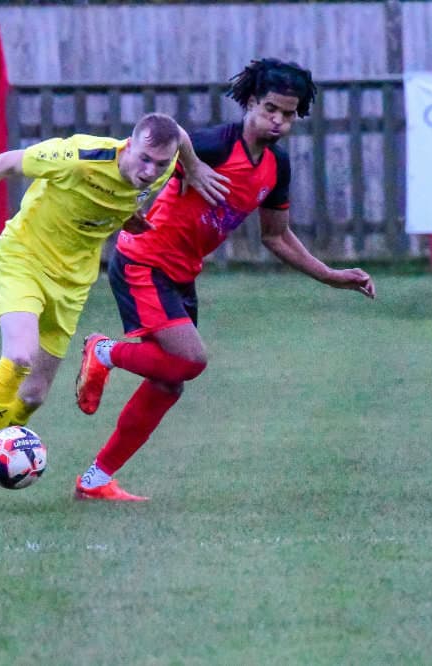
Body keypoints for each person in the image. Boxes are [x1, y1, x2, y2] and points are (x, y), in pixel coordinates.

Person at [73, 58, 376, 501]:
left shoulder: (276, 166)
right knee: (191, 360)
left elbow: (276, 236)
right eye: (270, 109)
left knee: (169, 382)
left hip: (182, 274)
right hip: (144, 262)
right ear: (250, 102)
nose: (278, 120)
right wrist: (190, 168)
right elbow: (162, 142)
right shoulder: (214, 145)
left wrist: (329, 275)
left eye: (289, 114)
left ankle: (95, 480)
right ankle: (103, 351)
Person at [0, 112, 229, 505]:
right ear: (129, 145)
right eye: (144, 159)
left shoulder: (163, 165)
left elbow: (177, 135)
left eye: (161, 164)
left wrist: (189, 168)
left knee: (33, 397)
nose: (150, 171)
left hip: (72, 283)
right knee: (19, 356)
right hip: (24, 260)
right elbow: (7, 162)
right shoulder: (79, 156)